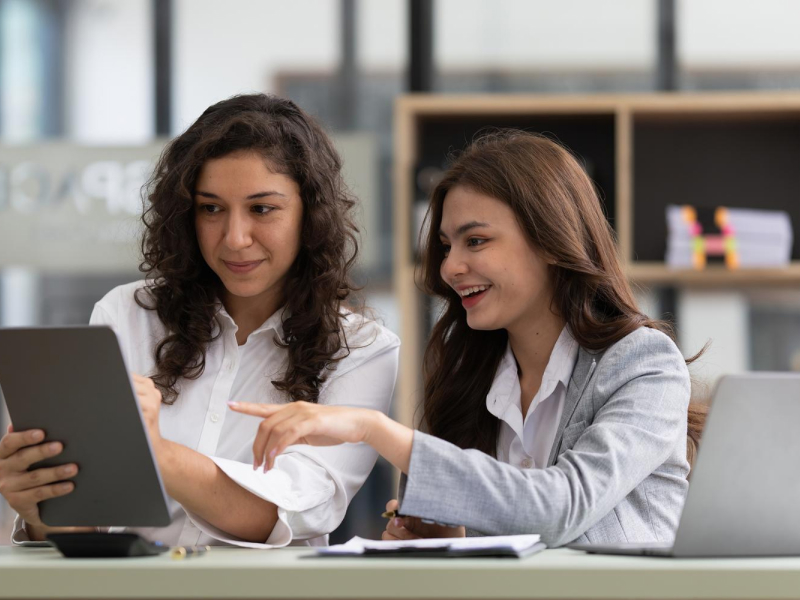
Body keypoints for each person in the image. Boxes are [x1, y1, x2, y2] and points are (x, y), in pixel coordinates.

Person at [230, 130, 704, 547]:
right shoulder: (467, 377)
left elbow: (561, 507)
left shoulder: (644, 363)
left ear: (553, 242)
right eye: (446, 245)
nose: (450, 267)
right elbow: (504, 536)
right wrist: (453, 537)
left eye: (475, 241)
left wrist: (374, 429)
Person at [0, 94, 399, 548]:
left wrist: (153, 453)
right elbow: (87, 525)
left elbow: (290, 513)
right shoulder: (126, 313)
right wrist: (41, 506)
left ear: (311, 215)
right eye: (211, 208)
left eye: (262, 209)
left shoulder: (364, 349)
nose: (234, 238)